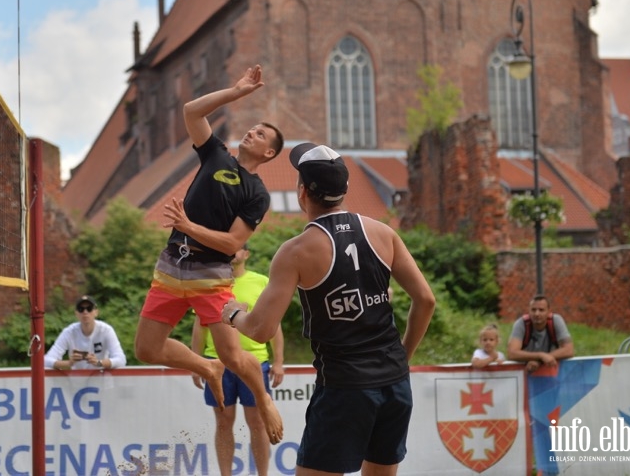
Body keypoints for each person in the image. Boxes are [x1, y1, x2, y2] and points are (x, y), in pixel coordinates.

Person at [222, 142, 437, 476]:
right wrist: (402, 358)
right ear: (346, 189)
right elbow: (426, 301)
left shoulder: (296, 251)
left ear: (302, 192)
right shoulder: (383, 233)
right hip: (395, 384)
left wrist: (233, 313)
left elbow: (260, 329)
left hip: (344, 388)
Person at [134, 64, 285, 444]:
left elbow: (232, 244)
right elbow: (191, 111)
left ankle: (263, 398)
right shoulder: (216, 155)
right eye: (253, 127)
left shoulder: (257, 193)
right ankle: (207, 367)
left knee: (235, 356)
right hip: (172, 265)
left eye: (261, 134)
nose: (252, 131)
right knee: (146, 349)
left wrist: (189, 227)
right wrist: (236, 91)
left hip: (211, 274)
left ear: (268, 152)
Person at [191, 244, 285, 476]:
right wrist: (196, 363)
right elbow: (200, 326)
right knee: (224, 422)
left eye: (238, 248)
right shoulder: (210, 283)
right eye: (227, 249)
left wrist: (279, 361)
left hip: (254, 361)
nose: (233, 252)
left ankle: (263, 474)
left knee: (258, 422)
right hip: (217, 362)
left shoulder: (260, 281)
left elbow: (273, 323)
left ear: (246, 254)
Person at [44, 296, 126, 371]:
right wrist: (69, 363)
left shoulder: (106, 330)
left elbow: (121, 360)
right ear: (76, 313)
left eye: (89, 308)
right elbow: (46, 360)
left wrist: (98, 363)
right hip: (76, 383)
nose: (85, 312)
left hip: (101, 381)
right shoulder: (69, 332)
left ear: (96, 312)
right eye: (81, 309)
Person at [506, 294, 574, 373]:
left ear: (549, 311)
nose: (537, 314)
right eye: (533, 310)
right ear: (529, 311)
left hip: (552, 372)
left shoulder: (556, 321)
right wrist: (541, 356)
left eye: (541, 310)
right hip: (526, 373)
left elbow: (569, 350)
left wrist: (539, 361)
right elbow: (512, 353)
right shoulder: (521, 323)